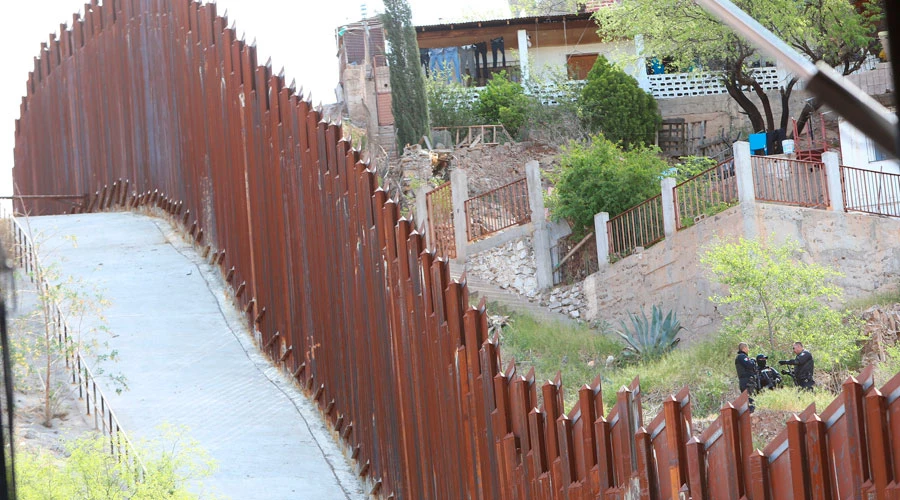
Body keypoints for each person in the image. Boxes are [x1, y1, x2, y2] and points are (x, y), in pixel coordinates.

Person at [735, 342, 758, 412]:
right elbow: (750, 365)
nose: (748, 349)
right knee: (750, 399)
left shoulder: (741, 357)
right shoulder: (742, 356)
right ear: (744, 348)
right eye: (747, 348)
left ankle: (750, 412)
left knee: (750, 399)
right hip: (747, 382)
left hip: (746, 381)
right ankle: (751, 413)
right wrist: (753, 361)